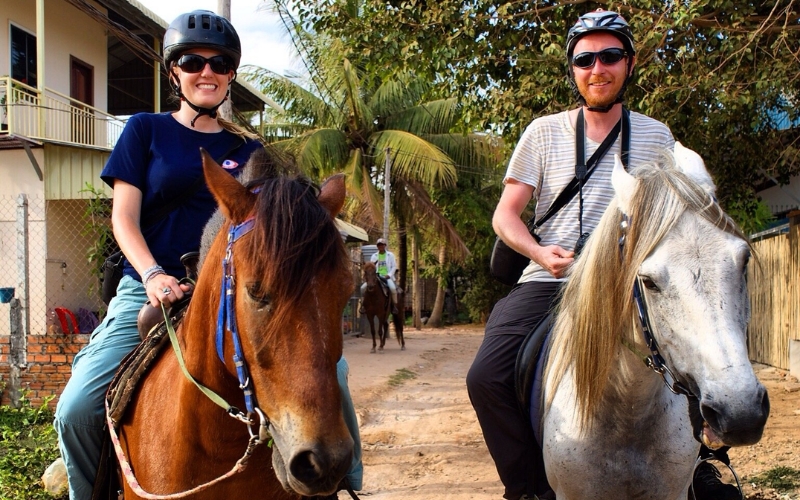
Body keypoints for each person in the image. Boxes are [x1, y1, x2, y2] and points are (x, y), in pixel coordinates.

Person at [53, 10, 361, 499]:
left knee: (334, 374)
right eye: (193, 61)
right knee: (76, 408)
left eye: (220, 64)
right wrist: (152, 274)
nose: (207, 72)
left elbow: (273, 236)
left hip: (228, 287)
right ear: (174, 72)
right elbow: (123, 219)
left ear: (231, 74)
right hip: (149, 284)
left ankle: (344, 484)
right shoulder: (144, 131)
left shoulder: (250, 148)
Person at [466, 9, 739, 500]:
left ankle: (700, 466)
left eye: (610, 56)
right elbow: (506, 216)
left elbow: (681, 217)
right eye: (585, 59)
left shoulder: (658, 136)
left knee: (696, 344)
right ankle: (530, 487)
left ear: (629, 63)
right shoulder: (542, 132)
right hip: (550, 279)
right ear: (573, 70)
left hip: (632, 282)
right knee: (484, 376)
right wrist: (539, 252)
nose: (598, 68)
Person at [360, 237, 399, 315]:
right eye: (379, 245)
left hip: (386, 276)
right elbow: (371, 267)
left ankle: (394, 306)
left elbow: (394, 266)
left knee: (393, 288)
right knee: (362, 288)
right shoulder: (374, 256)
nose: (380, 246)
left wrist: (389, 274)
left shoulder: (390, 255)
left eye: (382, 245)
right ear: (377, 246)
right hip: (376, 276)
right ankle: (363, 305)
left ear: (385, 246)